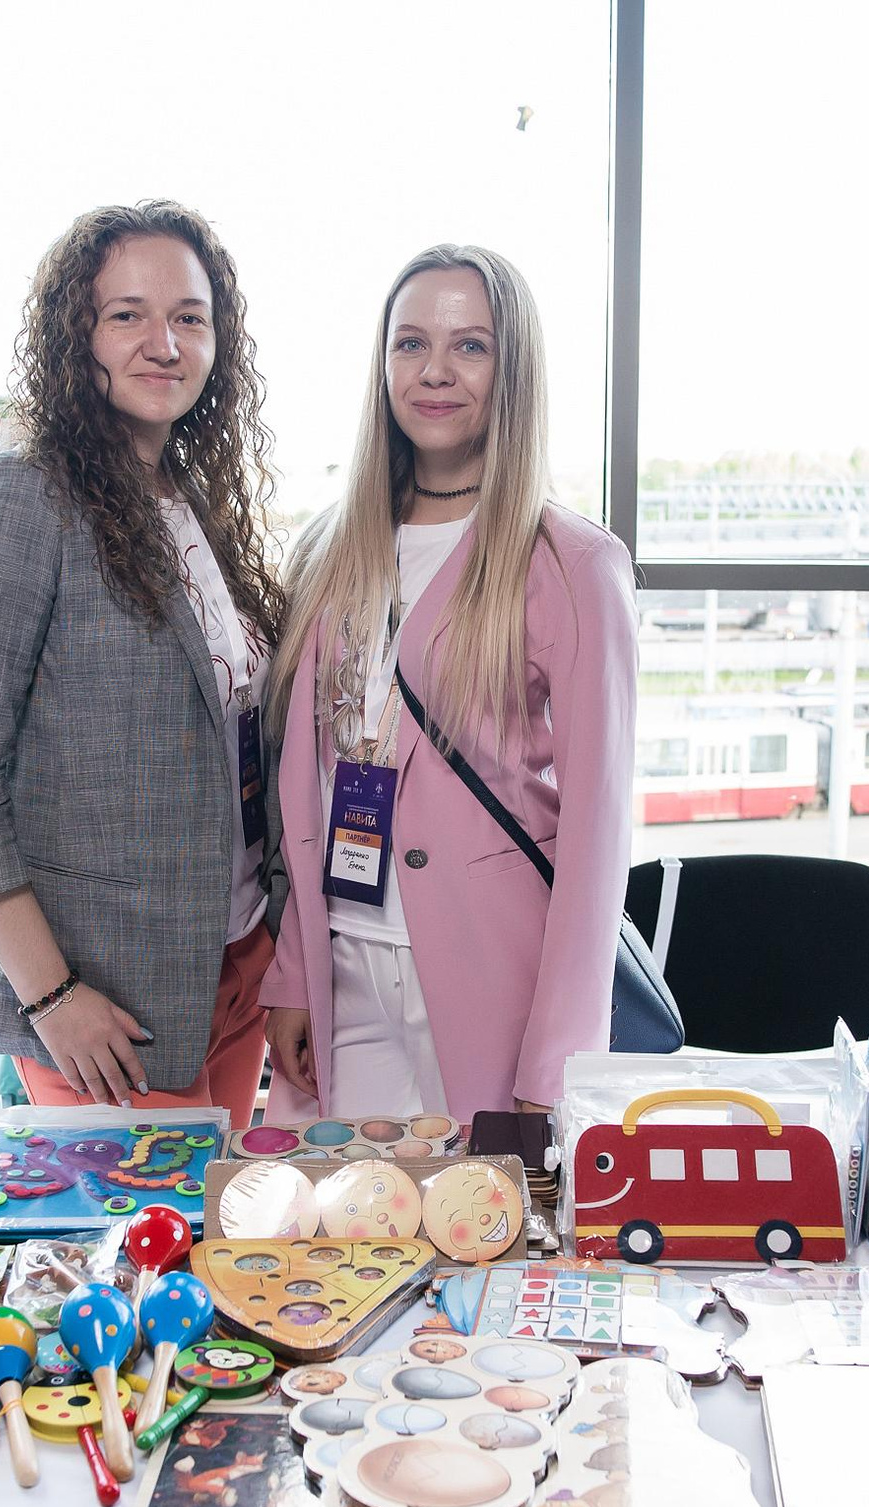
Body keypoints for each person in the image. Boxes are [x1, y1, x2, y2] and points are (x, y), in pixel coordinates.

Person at [0, 201, 282, 1127]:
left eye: (189, 317)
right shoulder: (26, 497)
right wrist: (50, 997)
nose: (163, 342)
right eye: (127, 315)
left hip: (231, 967)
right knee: (136, 1264)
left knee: (215, 1254)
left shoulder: (186, 500)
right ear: (75, 334)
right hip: (108, 1011)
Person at [261, 245, 638, 1120]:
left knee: (485, 1237)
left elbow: (596, 837)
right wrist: (292, 970)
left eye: (472, 345)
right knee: (341, 1232)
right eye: (410, 343)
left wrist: (560, 1061)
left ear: (515, 369)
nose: (435, 371)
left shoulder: (572, 562)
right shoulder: (328, 549)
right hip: (343, 960)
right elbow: (312, 785)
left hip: (489, 967)